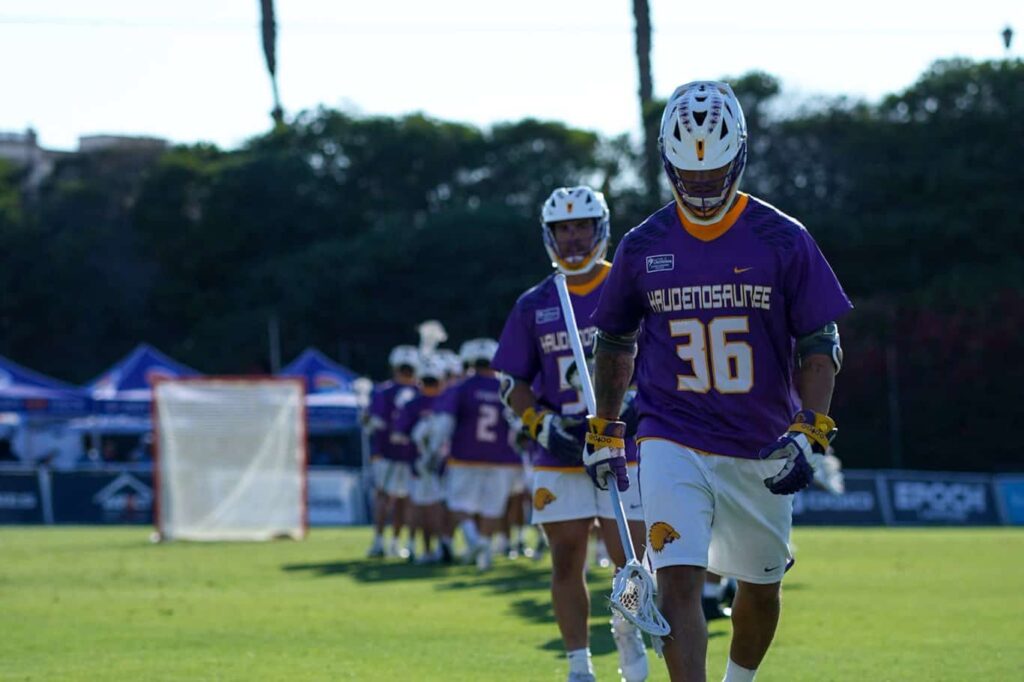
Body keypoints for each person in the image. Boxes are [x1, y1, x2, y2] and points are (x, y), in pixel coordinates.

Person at [585, 80, 853, 682]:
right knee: (678, 576)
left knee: (761, 585)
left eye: (714, 175)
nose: (701, 189)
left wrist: (811, 428)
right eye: (688, 175)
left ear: (741, 157)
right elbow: (615, 340)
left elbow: (820, 341)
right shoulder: (643, 244)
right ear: (666, 162)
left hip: (760, 442)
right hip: (669, 433)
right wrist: (605, 426)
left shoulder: (783, 237)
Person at [493, 186, 649, 682]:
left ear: (601, 228)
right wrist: (541, 425)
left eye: (582, 226)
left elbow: (663, 359)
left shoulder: (627, 285)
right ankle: (578, 664)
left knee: (632, 560)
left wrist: (641, 405)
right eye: (564, 228)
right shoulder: (535, 302)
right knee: (565, 557)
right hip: (562, 449)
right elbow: (511, 380)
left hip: (622, 442)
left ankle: (627, 628)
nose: (574, 237)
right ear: (550, 234)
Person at [427, 337, 522, 571]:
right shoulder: (507, 387)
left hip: (465, 456)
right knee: (492, 508)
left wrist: (433, 452)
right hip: (502, 458)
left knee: (457, 502)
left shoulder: (461, 388)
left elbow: (443, 425)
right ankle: (484, 552)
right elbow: (520, 426)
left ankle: (473, 540)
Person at [364, 345, 419, 559]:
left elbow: (373, 424)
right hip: (410, 455)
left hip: (385, 453)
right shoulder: (419, 391)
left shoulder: (383, 391)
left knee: (383, 498)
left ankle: (379, 542)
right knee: (405, 500)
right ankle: (398, 542)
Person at [396, 354, 449, 564]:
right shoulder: (447, 402)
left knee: (420, 506)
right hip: (445, 462)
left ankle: (423, 548)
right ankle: (444, 544)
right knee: (440, 507)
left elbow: (400, 433)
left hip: (418, 463)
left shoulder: (412, 404)